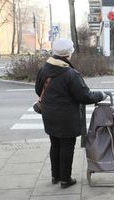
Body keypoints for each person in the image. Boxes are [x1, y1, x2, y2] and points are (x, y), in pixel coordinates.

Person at [35, 39, 107, 188]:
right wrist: (101, 95)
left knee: (55, 144)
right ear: (69, 53)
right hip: (66, 117)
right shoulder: (70, 73)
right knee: (67, 146)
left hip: (49, 114)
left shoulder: (44, 69)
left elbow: (38, 90)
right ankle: (65, 179)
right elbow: (84, 96)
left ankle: (55, 176)